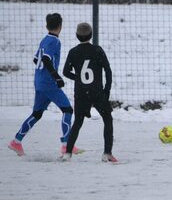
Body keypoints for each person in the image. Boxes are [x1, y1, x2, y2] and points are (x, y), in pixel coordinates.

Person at [8, 13, 81, 156]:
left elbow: (37, 60)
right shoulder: (54, 41)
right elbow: (46, 59)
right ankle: (66, 145)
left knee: (37, 113)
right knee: (68, 110)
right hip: (49, 83)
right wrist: (56, 76)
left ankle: (16, 141)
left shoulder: (44, 40)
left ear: (46, 26)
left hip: (39, 81)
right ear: (60, 26)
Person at [61, 23, 117, 162]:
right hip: (97, 91)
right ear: (91, 35)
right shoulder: (97, 50)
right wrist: (106, 90)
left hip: (81, 92)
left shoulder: (73, 52)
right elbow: (108, 70)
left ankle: (67, 153)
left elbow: (65, 72)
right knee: (107, 119)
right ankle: (107, 153)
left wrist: (78, 78)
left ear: (77, 36)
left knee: (78, 122)